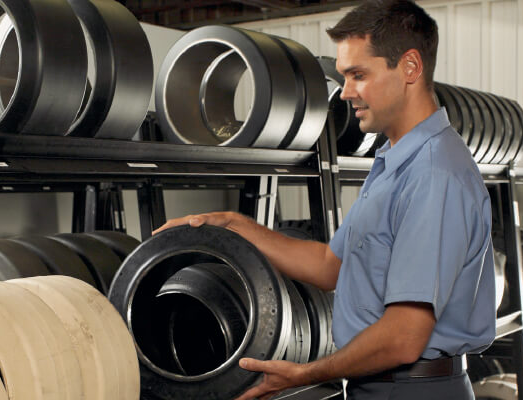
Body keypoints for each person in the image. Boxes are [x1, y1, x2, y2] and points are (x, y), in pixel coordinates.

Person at [154, 0, 496, 398]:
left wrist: (305, 374)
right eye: (343, 77)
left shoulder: (434, 174)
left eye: (358, 75)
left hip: (413, 389)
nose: (346, 92)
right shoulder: (396, 162)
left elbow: (403, 336)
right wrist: (235, 227)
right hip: (385, 386)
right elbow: (332, 266)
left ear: (410, 68)